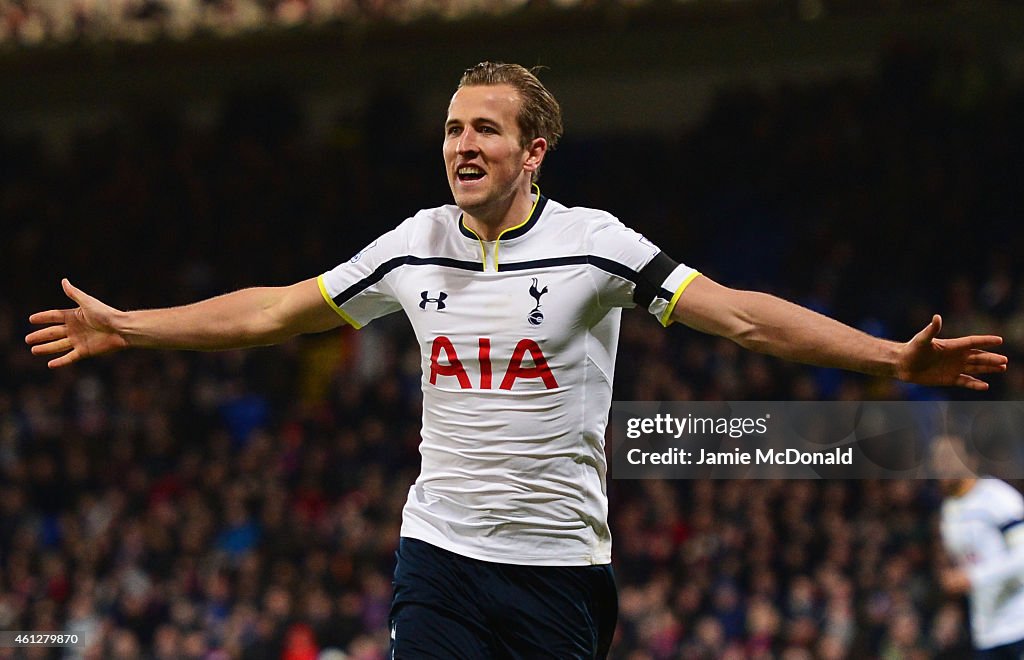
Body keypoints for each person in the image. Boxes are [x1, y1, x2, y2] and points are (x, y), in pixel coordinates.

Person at [26, 62, 1007, 659]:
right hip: (439, 554)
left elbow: (743, 318)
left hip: (558, 570)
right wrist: (131, 327)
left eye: (484, 128)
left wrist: (885, 355)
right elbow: (278, 312)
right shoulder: (410, 245)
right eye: (452, 126)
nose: (461, 142)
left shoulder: (597, 247)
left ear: (532, 150)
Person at [934, 435, 1024, 659]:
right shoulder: (949, 510)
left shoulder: (997, 497)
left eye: (948, 457)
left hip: (1019, 623)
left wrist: (974, 577)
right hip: (986, 631)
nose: (940, 465)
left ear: (970, 461)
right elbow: (965, 562)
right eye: (936, 459)